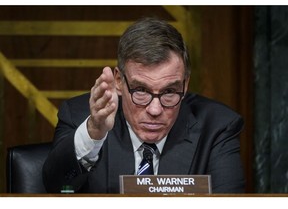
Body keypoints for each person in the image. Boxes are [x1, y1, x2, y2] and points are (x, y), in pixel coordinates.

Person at [42, 17, 245, 193]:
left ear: (185, 84)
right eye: (141, 91)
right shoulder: (82, 117)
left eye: (169, 92)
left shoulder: (217, 126)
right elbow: (55, 187)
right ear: (119, 81)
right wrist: (94, 132)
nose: (155, 110)